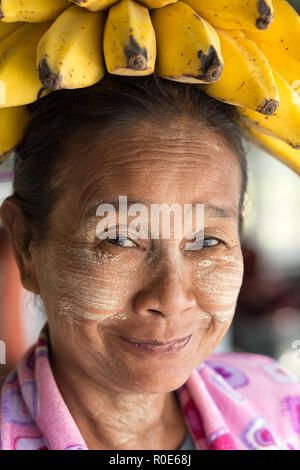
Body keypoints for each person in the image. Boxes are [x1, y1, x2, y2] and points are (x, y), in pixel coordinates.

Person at [0, 73, 299, 451]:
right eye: (120, 239)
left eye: (208, 240)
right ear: (26, 245)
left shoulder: (279, 402)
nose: (172, 298)